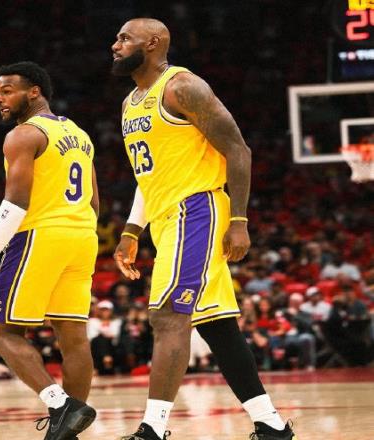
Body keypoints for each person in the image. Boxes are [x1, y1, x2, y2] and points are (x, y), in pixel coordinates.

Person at [111, 18, 296, 440]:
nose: (115, 45)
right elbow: (149, 176)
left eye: (124, 38)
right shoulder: (130, 103)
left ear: (153, 43)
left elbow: (238, 149)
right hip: (165, 218)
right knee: (216, 324)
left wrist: (240, 220)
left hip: (196, 210)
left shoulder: (183, 87)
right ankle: (270, 424)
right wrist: (132, 230)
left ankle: (152, 429)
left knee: (167, 316)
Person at [0, 61, 98, 439]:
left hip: (41, 234)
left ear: (34, 91)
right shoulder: (79, 133)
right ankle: (67, 430)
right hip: (83, 236)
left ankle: (60, 404)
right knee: (73, 337)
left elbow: (15, 203)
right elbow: (93, 201)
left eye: (7, 91)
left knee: (1, 332)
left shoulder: (23, 134)